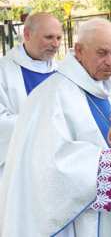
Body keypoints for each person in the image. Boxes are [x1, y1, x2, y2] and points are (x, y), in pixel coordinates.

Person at [0, 18, 111, 236]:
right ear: (80, 51)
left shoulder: (103, 87)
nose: (110, 61)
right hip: (82, 216)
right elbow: (48, 161)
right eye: (102, 53)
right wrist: (107, 159)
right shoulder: (54, 94)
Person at [0, 12, 62, 183]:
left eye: (58, 37)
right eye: (49, 37)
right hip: (18, 164)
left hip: (56, 163)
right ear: (27, 35)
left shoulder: (63, 72)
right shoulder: (4, 70)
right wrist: (44, 123)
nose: (55, 44)